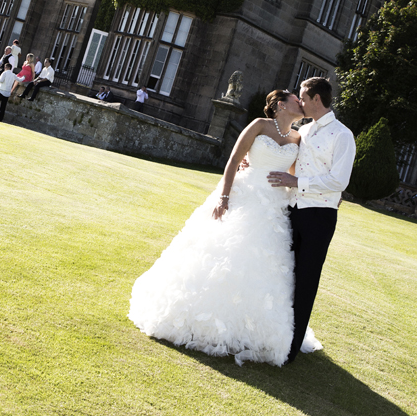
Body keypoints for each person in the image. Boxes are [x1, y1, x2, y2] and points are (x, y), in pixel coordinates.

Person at [129, 90, 319, 366]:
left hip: (273, 208)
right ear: (280, 104)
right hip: (244, 195)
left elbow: (293, 172)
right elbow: (233, 159)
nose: (301, 103)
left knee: (263, 265)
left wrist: (293, 182)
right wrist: (224, 196)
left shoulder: (298, 137)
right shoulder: (259, 125)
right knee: (221, 251)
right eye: (296, 99)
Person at [266, 77, 356, 363]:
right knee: (281, 274)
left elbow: (338, 180)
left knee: (306, 281)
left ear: (317, 99)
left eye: (303, 97)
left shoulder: (343, 135)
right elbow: (284, 155)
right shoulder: (302, 130)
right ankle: (271, 334)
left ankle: (289, 349)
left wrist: (297, 181)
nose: (299, 102)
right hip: (291, 210)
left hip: (319, 216)